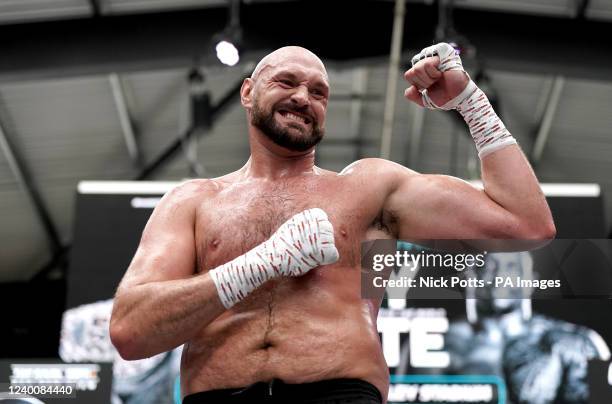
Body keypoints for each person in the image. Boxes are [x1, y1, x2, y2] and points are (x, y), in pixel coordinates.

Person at [109, 43, 555, 403]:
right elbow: (131, 332)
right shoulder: (192, 201)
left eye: (319, 92)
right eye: (286, 82)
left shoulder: (369, 188)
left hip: (340, 393)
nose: (303, 98)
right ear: (247, 92)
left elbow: (526, 223)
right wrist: (260, 264)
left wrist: (469, 102)